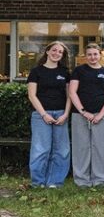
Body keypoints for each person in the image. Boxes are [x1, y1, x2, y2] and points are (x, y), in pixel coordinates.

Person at [69, 43, 104, 187]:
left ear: (100, 55)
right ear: (85, 56)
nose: (92, 57)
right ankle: (82, 179)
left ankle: (101, 179)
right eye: (89, 54)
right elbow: (72, 92)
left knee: (100, 147)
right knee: (81, 147)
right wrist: (83, 111)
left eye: (95, 54)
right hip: (80, 115)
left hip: (101, 116)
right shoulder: (78, 71)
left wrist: (101, 114)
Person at [27, 41, 71, 188]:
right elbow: (32, 95)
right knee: (41, 149)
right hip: (40, 115)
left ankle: (55, 182)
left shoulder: (65, 72)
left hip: (60, 114)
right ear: (47, 51)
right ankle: (38, 182)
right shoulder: (36, 72)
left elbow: (69, 96)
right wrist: (44, 114)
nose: (57, 53)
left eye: (60, 52)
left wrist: (65, 114)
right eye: (54, 50)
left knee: (61, 150)